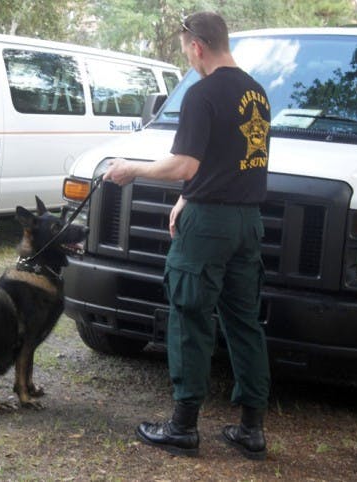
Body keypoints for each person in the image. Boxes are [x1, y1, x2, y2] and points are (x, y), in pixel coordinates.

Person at [103, 11, 271, 460]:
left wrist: (130, 170)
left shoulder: (202, 93)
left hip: (209, 229)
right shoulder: (256, 92)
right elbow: (229, 161)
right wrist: (186, 197)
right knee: (243, 323)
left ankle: (182, 427)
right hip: (247, 223)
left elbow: (185, 165)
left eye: (185, 51)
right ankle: (252, 429)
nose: (188, 60)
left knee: (190, 317)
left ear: (197, 45)